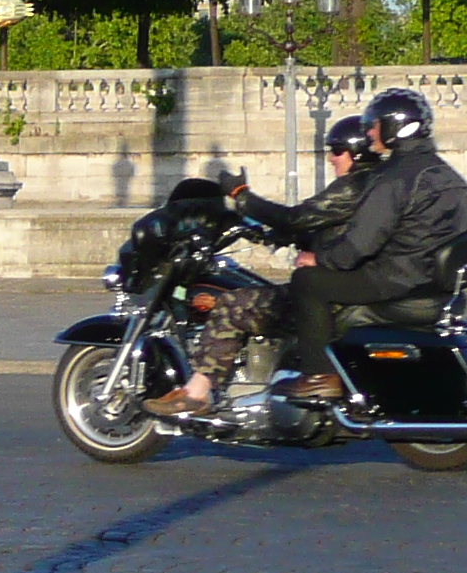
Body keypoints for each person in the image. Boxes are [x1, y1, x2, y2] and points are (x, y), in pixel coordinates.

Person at [144, 118, 377, 418]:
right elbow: (318, 223)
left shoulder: (353, 186)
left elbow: (294, 216)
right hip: (348, 286)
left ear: (357, 152)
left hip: (330, 293)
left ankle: (197, 394)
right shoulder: (374, 183)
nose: (331, 156)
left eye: (337, 149)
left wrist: (242, 196)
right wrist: (283, 235)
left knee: (231, 305)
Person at [277, 88, 467, 402]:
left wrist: (319, 257)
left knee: (307, 282)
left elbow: (357, 246)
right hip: (432, 281)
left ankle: (318, 375)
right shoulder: (447, 174)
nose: (368, 131)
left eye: (374, 124)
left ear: (395, 127)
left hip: (395, 279)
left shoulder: (394, 178)